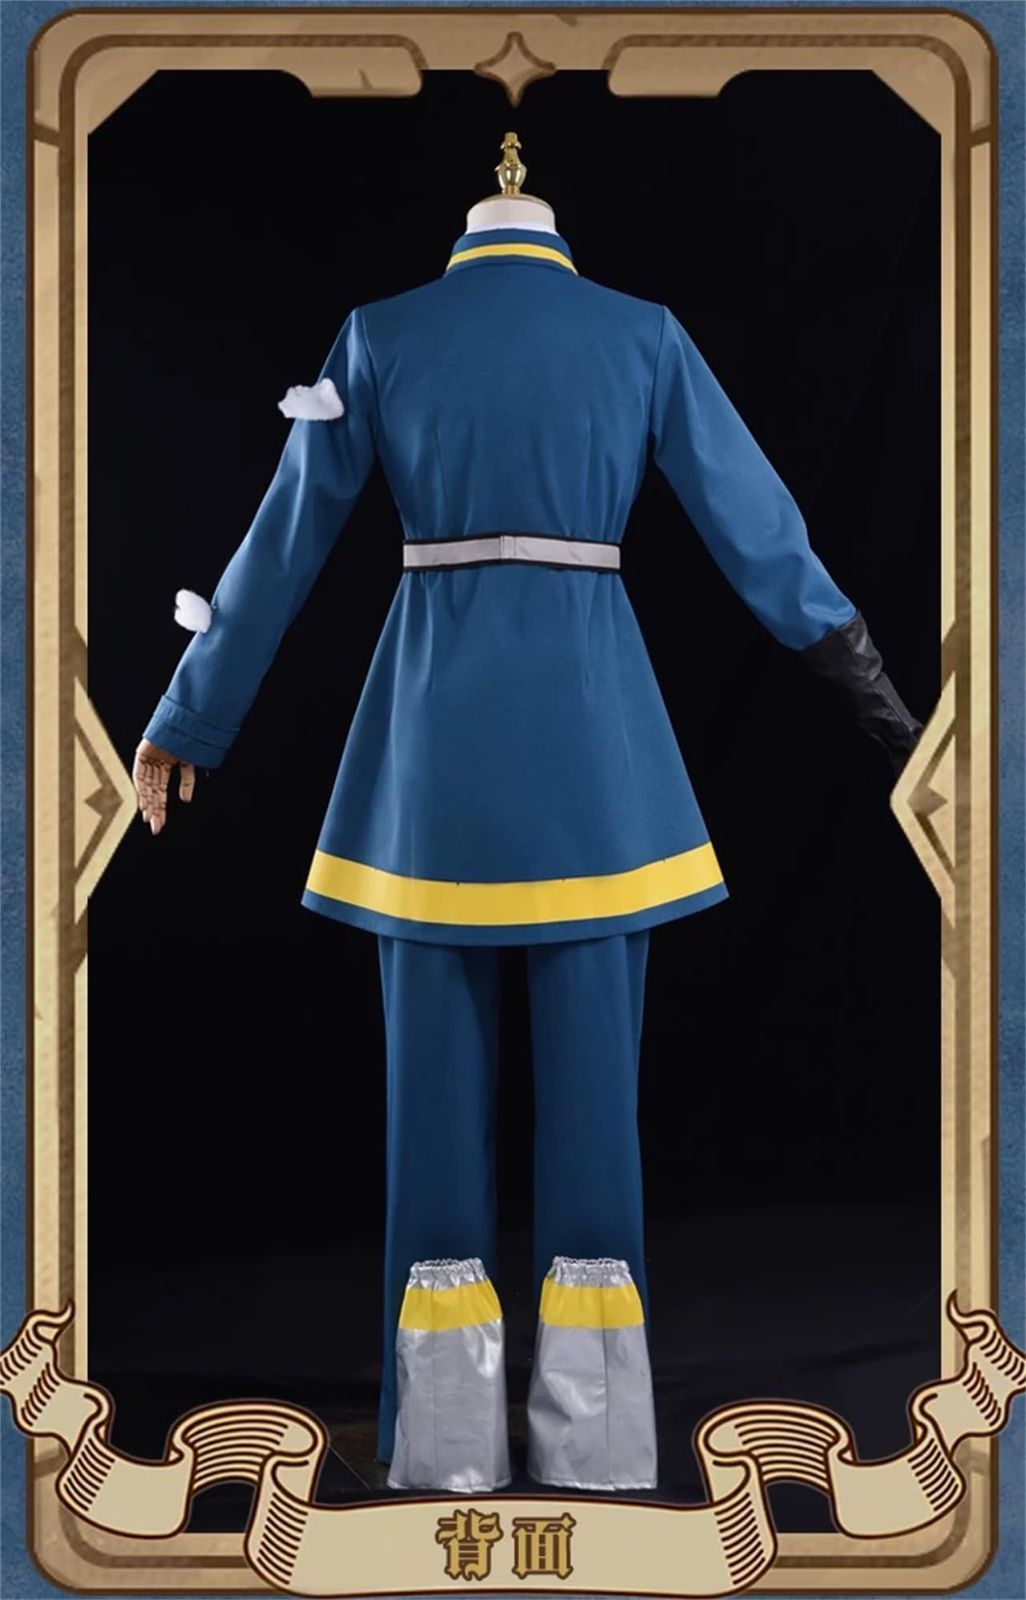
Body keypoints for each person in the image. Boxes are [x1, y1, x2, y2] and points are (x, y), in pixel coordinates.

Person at [134, 133, 924, 1494]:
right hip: (593, 750)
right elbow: (759, 529)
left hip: (429, 758)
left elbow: (286, 534)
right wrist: (878, 698)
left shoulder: (383, 335)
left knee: (429, 1111)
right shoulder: (640, 335)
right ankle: (594, 1440)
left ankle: (446, 1446)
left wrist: (188, 714)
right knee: (597, 1113)